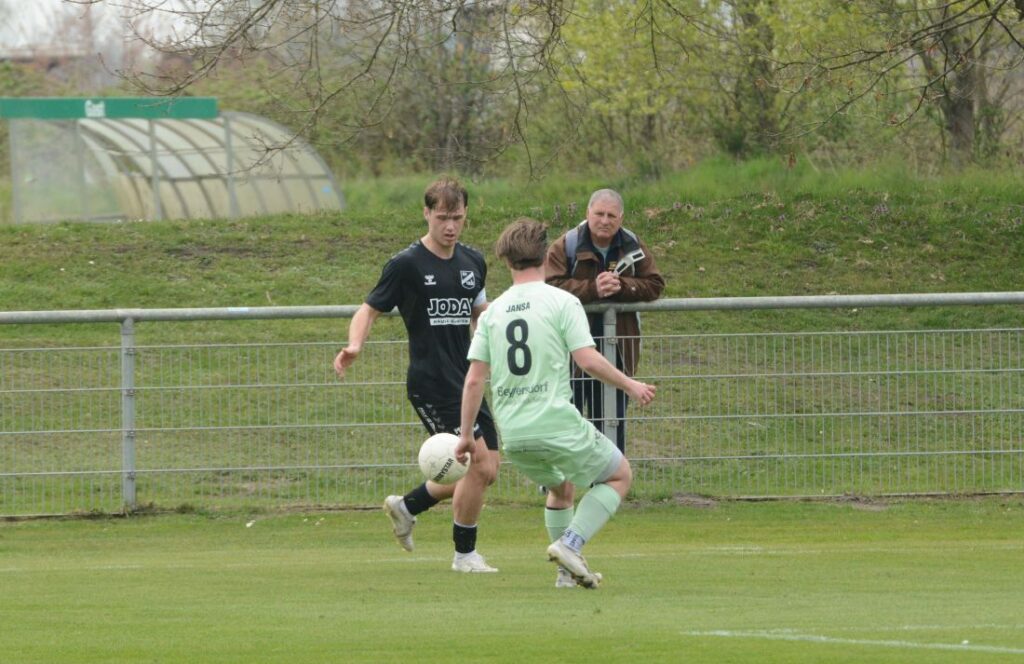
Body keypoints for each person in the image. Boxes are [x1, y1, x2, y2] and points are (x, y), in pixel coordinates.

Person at [457, 218, 656, 589]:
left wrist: (467, 435)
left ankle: (567, 575)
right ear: (546, 256)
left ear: (505, 260)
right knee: (618, 475)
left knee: (561, 487)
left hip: (514, 434)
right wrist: (630, 385)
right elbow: (588, 360)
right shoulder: (562, 301)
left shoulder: (493, 312)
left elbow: (473, 379)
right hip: (555, 422)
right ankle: (571, 544)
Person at [334, 177, 500, 574]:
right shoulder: (406, 264)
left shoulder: (473, 261)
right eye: (442, 217)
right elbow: (368, 309)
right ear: (426, 213)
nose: (450, 226)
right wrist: (355, 344)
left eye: (457, 217)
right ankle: (464, 556)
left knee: (487, 469)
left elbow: (481, 313)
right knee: (476, 466)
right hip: (430, 381)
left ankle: (407, 506)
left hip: (466, 381)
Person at [544, 189, 665, 454]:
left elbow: (655, 284)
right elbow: (548, 286)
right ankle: (563, 483)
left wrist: (622, 286)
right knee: (568, 417)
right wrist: (592, 289)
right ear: (587, 213)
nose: (605, 220)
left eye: (611, 215)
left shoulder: (633, 245)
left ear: (621, 218)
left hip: (618, 349)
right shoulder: (566, 245)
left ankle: (609, 483)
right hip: (569, 351)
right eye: (599, 213)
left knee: (611, 418)